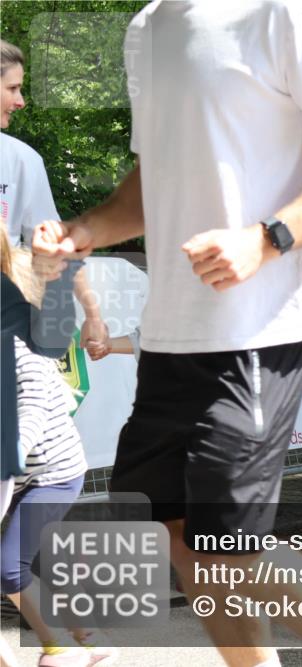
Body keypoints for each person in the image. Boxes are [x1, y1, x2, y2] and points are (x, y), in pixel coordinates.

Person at [31, 2, 302, 666]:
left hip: (261, 329)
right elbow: (154, 182)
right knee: (173, 532)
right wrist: (83, 231)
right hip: (172, 337)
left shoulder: (288, 11)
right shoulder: (147, 28)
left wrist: (268, 238)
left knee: (226, 544)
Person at [0, 227, 118, 667]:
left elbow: (28, 407)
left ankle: (62, 649)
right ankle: (90, 633)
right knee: (40, 557)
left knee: (10, 566)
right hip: (23, 473)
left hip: (52, 470)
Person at [1, 40, 109, 362]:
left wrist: (92, 313)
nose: (20, 101)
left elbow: (58, 246)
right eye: (13, 88)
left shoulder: (22, 161)